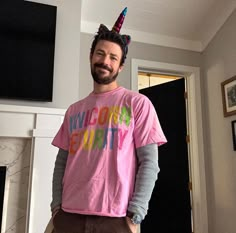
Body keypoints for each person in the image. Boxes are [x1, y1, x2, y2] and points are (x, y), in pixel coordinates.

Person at [50, 7, 167, 233]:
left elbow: (150, 163)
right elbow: (61, 163)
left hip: (116, 219)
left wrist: (136, 214)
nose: (105, 61)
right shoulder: (73, 110)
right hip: (68, 217)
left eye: (113, 57)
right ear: (91, 56)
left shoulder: (138, 104)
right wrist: (56, 207)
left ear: (121, 66)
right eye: (100, 53)